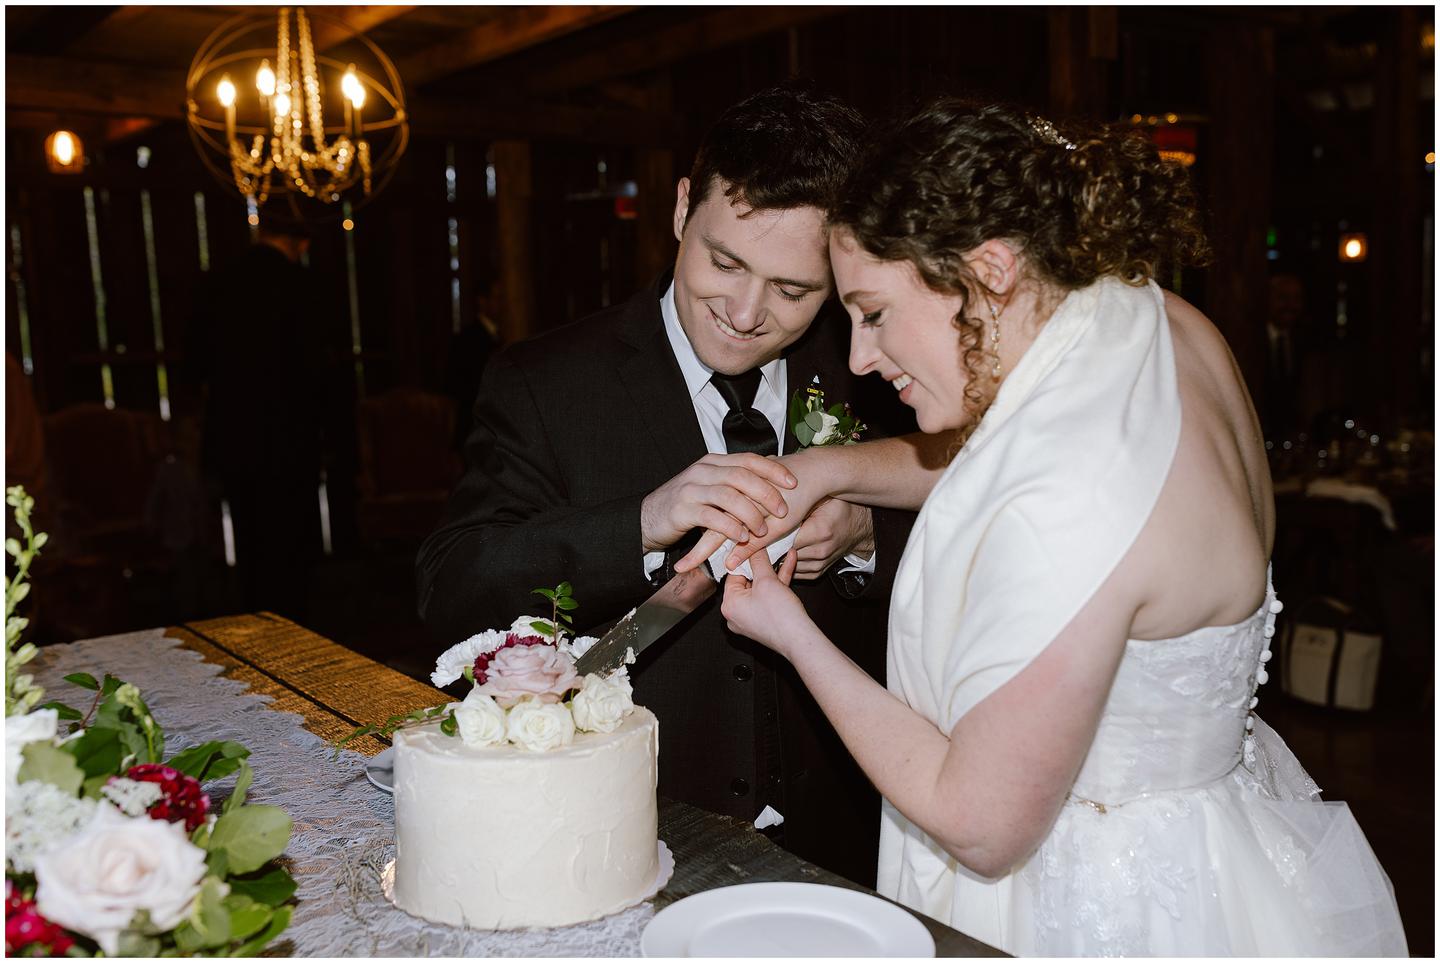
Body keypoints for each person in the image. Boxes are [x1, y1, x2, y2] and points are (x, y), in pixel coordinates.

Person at [704, 100, 1408, 955]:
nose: (857, 357)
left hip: (1098, 903)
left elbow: (980, 823)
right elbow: (992, 444)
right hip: (1225, 849)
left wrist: (791, 632)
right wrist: (831, 467)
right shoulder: (1151, 321)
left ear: (991, 269)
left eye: (875, 312)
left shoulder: (1068, 494)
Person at [415, 82, 915, 887]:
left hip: (854, 839)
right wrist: (640, 522)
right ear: (683, 209)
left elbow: (979, 527)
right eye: (725, 261)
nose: (747, 312)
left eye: (794, 290)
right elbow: (451, 584)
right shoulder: (545, 381)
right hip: (628, 840)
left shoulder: (882, 375)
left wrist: (866, 535)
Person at [187, 219, 328, 622]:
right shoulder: (301, 287)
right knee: (292, 545)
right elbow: (317, 369)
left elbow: (193, 367)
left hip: (235, 439)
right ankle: (296, 628)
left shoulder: (218, 283)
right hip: (290, 439)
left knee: (250, 543)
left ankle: (255, 620)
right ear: (300, 243)